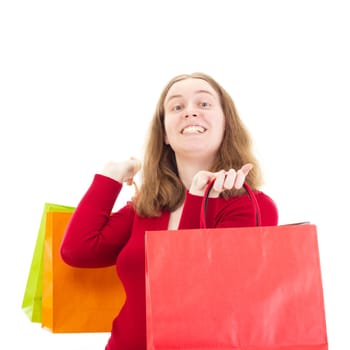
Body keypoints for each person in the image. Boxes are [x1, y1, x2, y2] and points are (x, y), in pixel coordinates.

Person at [60, 72, 278, 350]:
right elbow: (77, 250)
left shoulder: (251, 206)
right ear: (164, 133)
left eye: (204, 104)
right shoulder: (148, 207)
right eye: (177, 107)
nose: (190, 113)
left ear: (226, 124)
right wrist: (109, 178)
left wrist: (198, 198)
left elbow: (193, 289)